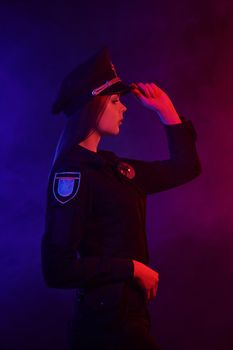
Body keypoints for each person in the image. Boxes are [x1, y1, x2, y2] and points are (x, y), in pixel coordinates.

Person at [41, 47, 201, 350]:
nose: (124, 108)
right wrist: (131, 268)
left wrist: (167, 111)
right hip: (106, 326)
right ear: (93, 104)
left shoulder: (112, 168)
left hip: (128, 317)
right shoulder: (72, 174)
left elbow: (186, 168)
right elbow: (56, 268)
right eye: (115, 101)